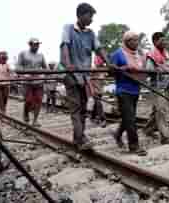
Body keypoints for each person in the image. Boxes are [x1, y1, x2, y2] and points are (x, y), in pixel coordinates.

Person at [60, 3, 110, 150]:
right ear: (80, 15)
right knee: (76, 108)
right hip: (71, 75)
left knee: (83, 108)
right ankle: (81, 138)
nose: (91, 19)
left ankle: (78, 137)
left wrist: (109, 64)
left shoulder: (91, 34)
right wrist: (68, 65)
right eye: (90, 16)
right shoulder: (68, 29)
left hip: (84, 76)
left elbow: (99, 49)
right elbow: (64, 47)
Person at [110, 31, 147, 156]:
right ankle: (134, 145)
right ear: (127, 41)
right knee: (131, 119)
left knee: (128, 117)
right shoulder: (118, 54)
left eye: (137, 40)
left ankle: (117, 134)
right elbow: (111, 71)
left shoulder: (138, 55)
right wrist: (122, 69)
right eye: (134, 40)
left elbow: (142, 70)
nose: (136, 43)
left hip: (135, 90)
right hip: (123, 90)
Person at [144, 32, 169, 145]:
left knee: (156, 110)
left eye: (165, 40)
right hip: (156, 86)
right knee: (162, 110)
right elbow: (149, 70)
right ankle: (165, 136)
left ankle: (148, 130)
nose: (164, 42)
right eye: (161, 40)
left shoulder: (165, 53)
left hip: (164, 85)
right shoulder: (151, 54)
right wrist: (159, 69)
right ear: (155, 41)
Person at [17, 38, 48, 127]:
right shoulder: (23, 54)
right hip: (27, 81)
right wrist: (24, 74)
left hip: (39, 81)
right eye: (35, 44)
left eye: (38, 44)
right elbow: (18, 67)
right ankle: (26, 114)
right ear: (30, 44)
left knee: (38, 100)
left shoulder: (41, 55)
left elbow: (45, 67)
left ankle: (35, 120)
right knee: (28, 101)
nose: (37, 46)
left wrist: (46, 75)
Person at [90, 55, 107, 127]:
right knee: (99, 104)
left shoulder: (104, 69)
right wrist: (91, 89)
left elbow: (107, 75)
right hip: (94, 90)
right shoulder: (93, 69)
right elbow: (89, 79)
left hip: (100, 90)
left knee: (96, 104)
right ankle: (103, 119)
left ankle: (93, 117)